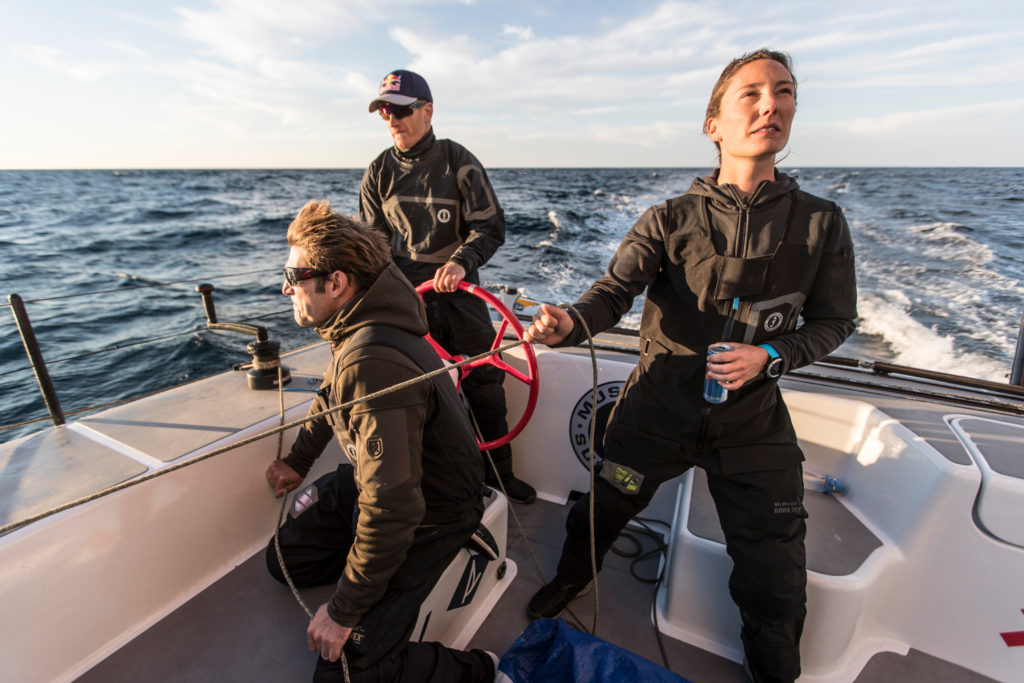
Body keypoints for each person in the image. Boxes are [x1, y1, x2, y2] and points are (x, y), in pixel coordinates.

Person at [523, 50, 857, 683]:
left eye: (784, 93)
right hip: (657, 410)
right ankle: (567, 582)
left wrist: (771, 356)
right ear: (715, 124)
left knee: (776, 578)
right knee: (597, 514)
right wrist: (567, 323)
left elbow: (835, 322)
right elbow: (611, 294)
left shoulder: (821, 223)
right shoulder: (668, 220)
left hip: (753, 424)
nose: (772, 105)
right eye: (752, 94)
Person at [265, 199, 496, 682]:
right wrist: (298, 462)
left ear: (336, 283)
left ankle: (482, 670)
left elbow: (394, 508)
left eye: (294, 276)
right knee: (282, 560)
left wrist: (345, 609)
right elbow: (331, 393)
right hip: (386, 484)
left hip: (433, 511)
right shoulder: (356, 326)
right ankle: (363, 557)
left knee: (345, 671)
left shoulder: (372, 358)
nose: (286, 288)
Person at [359, 69, 537, 504]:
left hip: (461, 296)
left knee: (485, 387)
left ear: (427, 111)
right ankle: (435, 486)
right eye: (384, 110)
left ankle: (500, 475)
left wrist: (461, 262)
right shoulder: (378, 172)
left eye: (400, 110)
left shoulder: (459, 161)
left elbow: (490, 227)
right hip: (409, 304)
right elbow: (371, 245)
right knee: (417, 396)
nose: (391, 119)